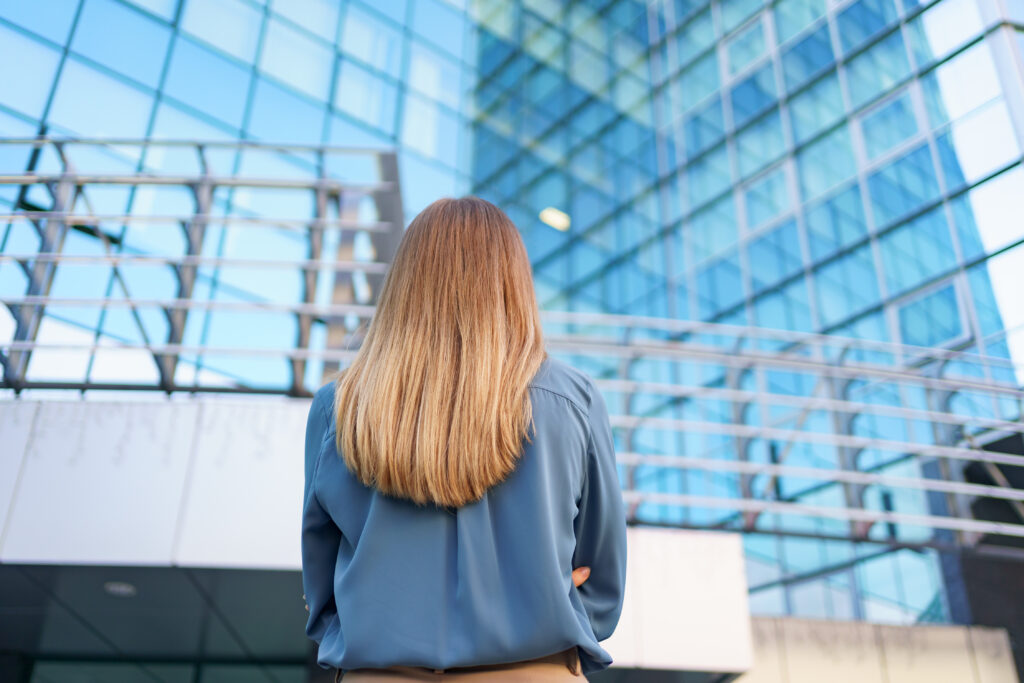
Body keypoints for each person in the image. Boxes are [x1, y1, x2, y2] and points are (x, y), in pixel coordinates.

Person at [301, 196, 628, 681]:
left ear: (405, 281)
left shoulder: (338, 407)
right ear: (512, 282)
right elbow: (601, 579)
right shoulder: (572, 400)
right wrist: (543, 596)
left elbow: (321, 583)